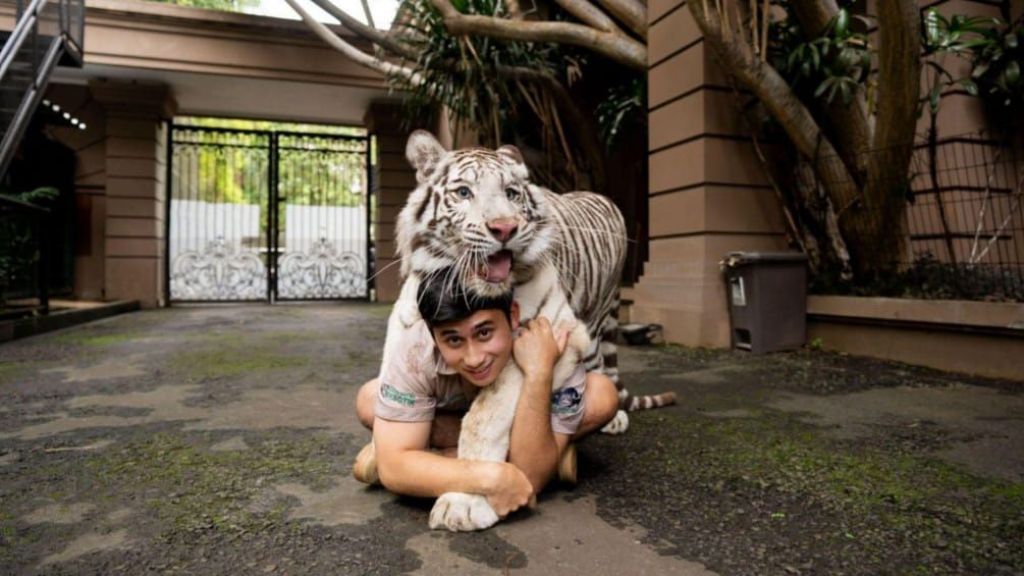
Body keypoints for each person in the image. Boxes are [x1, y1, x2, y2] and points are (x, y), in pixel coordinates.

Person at [353, 270, 619, 519]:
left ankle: (436, 458)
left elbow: (530, 476)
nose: (474, 358)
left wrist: (539, 372)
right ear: (433, 336)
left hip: (525, 420)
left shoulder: (549, 340)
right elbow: (395, 467)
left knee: (601, 395)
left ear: (513, 315)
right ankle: (552, 457)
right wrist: (492, 478)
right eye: (454, 340)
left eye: (484, 332)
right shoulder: (415, 346)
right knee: (369, 399)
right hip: (450, 415)